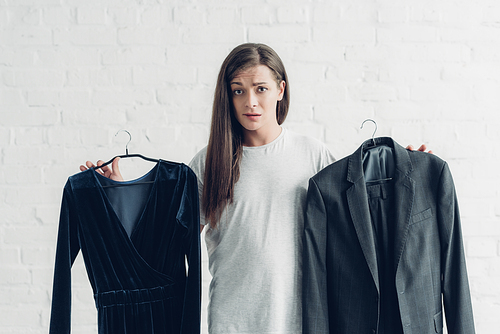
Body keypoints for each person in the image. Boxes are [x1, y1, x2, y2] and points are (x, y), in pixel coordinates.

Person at [80, 43, 431, 333]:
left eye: (261, 89)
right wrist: (116, 196)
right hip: (233, 321)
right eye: (239, 91)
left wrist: (406, 173)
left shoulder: (314, 155)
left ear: (280, 89)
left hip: (303, 321)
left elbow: (366, 223)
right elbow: (159, 243)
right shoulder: (207, 163)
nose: (250, 102)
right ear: (228, 97)